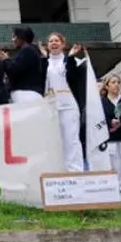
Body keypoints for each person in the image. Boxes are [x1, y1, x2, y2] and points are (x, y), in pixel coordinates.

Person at [42, 33, 85, 172]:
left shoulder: (71, 61)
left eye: (57, 41)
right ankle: (58, 171)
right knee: (54, 140)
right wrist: (43, 58)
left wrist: (71, 57)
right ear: (47, 45)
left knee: (71, 138)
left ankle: (75, 170)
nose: (54, 43)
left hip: (68, 105)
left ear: (63, 44)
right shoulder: (44, 63)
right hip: (51, 106)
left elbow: (75, 78)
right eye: (51, 41)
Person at [0, 26, 45, 104]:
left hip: (25, 95)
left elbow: (13, 70)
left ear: (21, 37)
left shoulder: (28, 50)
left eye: (14, 36)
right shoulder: (28, 51)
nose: (12, 40)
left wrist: (4, 59)